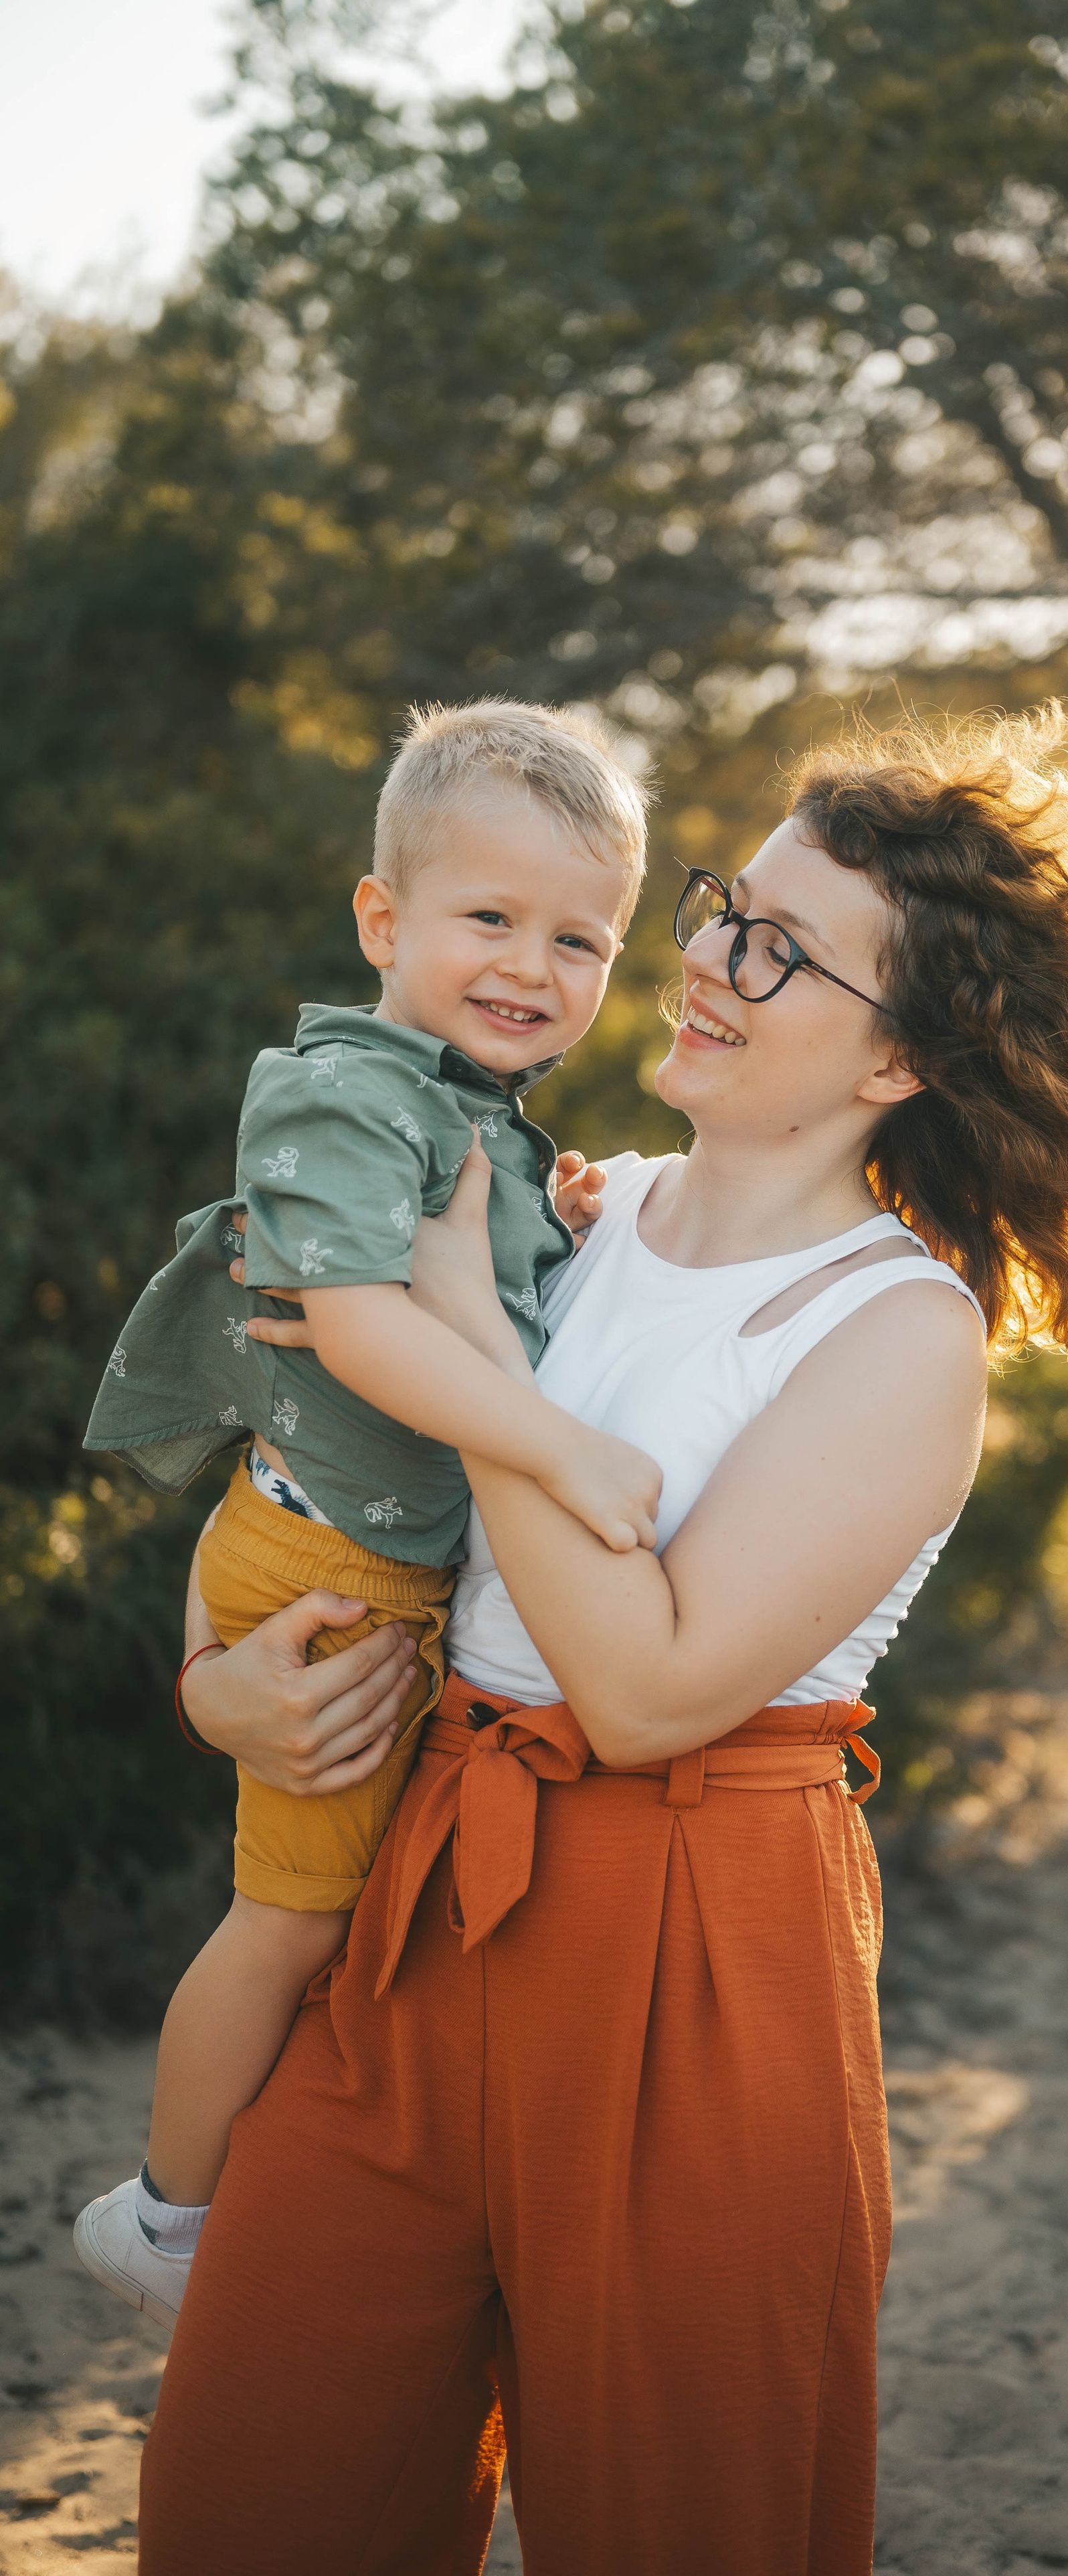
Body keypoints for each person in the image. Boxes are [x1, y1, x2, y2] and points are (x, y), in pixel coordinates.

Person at [136, 708, 1068, 2576]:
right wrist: (224, 1690)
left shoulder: (899, 1333)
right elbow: (309, 1490)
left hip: (697, 1953)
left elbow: (659, 1691)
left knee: (687, 2522)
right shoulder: (552, 1206)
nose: (705, 962)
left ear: (901, 1054)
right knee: (254, 2498)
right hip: (420, 1898)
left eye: (779, 947)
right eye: (721, 907)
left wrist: (483, 1365)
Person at [75, 701, 660, 2320]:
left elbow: (470, 1270)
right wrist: (555, 1445)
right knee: (283, 1923)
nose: (533, 967)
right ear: (382, 920)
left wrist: (566, 1218)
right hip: (332, 1568)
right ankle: (166, 2226)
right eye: (489, 918)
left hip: (363, 1549)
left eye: (580, 937)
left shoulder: (476, 1111)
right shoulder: (339, 1088)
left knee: (341, 1937)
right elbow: (358, 1318)